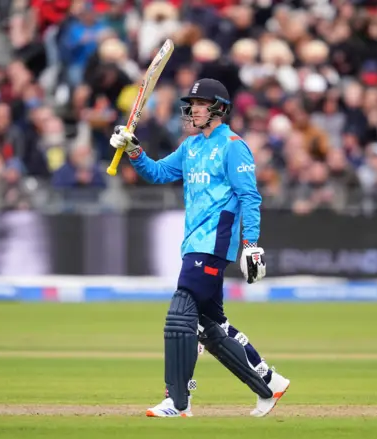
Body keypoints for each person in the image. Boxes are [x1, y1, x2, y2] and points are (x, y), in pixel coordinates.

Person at [110, 78, 290, 418]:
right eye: (191, 103)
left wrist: (251, 244)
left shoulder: (234, 145)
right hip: (193, 243)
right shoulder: (191, 147)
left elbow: (249, 196)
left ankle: (178, 401)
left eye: (200, 103)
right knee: (210, 325)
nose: (192, 109)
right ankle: (268, 382)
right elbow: (159, 173)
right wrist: (134, 149)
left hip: (215, 241)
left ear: (218, 108)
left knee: (180, 315)